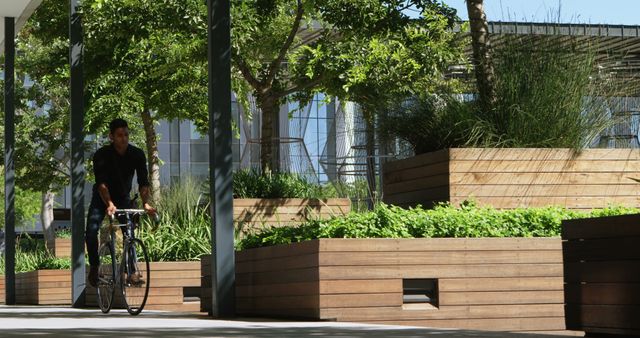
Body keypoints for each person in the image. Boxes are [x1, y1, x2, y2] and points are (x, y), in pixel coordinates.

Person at [86, 118, 156, 287]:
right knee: (91, 230)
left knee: (129, 233)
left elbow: (143, 182)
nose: (123, 138)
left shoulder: (137, 154)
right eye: (119, 135)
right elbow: (101, 184)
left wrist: (146, 203)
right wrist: (109, 203)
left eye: (126, 134)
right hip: (102, 196)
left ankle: (132, 272)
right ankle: (95, 266)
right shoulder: (101, 155)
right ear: (111, 136)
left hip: (123, 197)